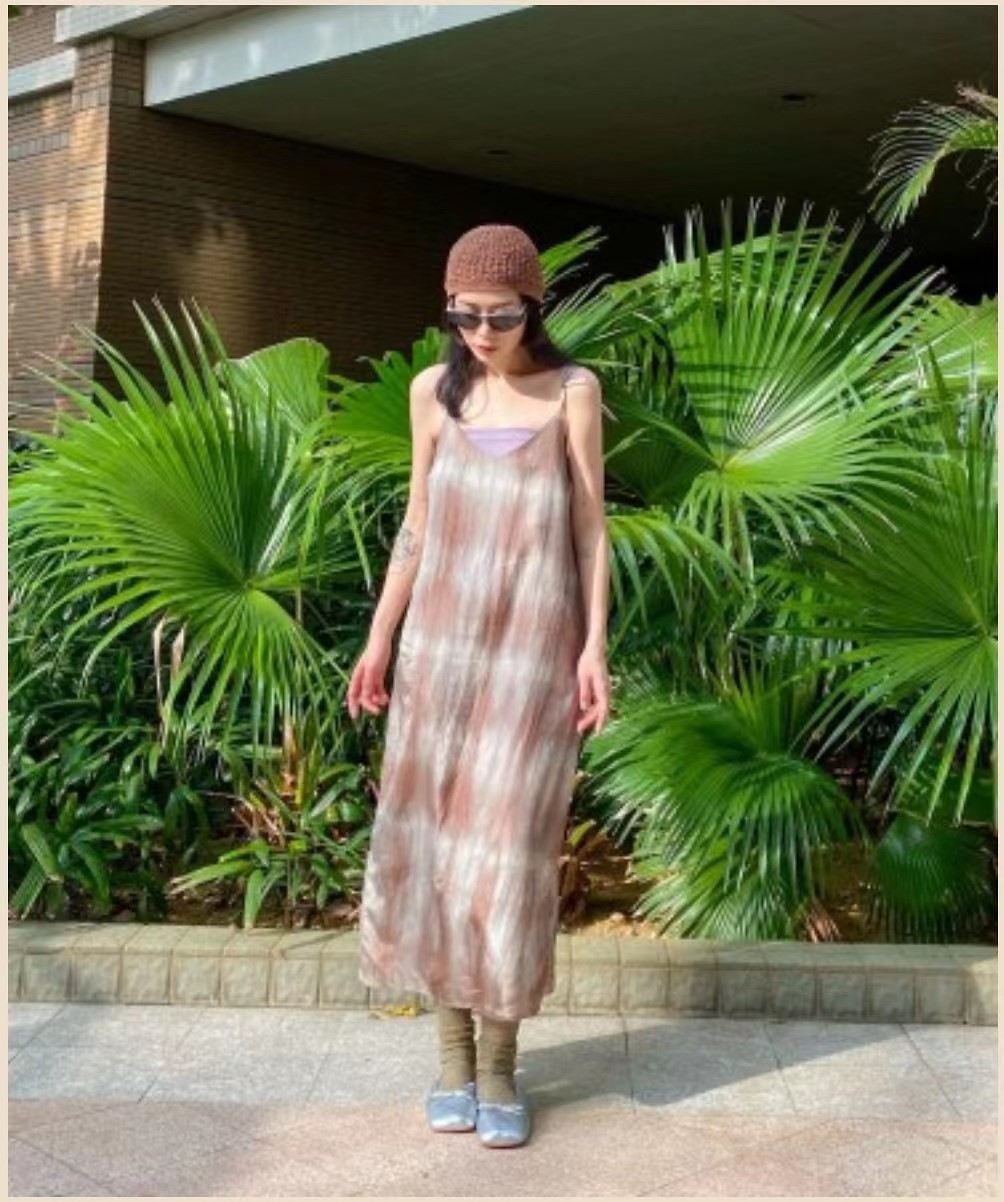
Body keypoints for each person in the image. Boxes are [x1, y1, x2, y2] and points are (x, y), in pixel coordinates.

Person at [347, 223, 610, 1149]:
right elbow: (416, 524)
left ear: (534, 307)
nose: (482, 334)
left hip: (534, 655)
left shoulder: (574, 392)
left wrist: (594, 647)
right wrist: (380, 637)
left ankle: (500, 1063)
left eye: (500, 316)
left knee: (511, 856)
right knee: (435, 849)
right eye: (464, 316)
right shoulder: (433, 392)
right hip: (441, 656)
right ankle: (452, 1057)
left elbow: (591, 529)